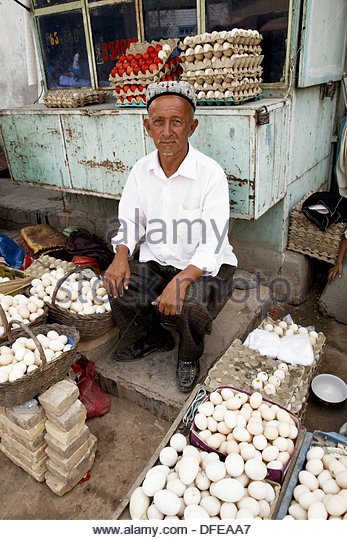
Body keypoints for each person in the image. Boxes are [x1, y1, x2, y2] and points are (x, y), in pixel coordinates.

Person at [104, 81, 237, 392]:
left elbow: (213, 240)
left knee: (191, 306)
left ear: (191, 126)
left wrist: (183, 280)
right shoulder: (140, 171)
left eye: (176, 122)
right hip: (159, 261)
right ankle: (153, 337)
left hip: (205, 266)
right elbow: (130, 219)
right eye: (159, 122)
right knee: (116, 285)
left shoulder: (211, 174)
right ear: (147, 126)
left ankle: (189, 355)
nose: (167, 132)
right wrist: (121, 254)